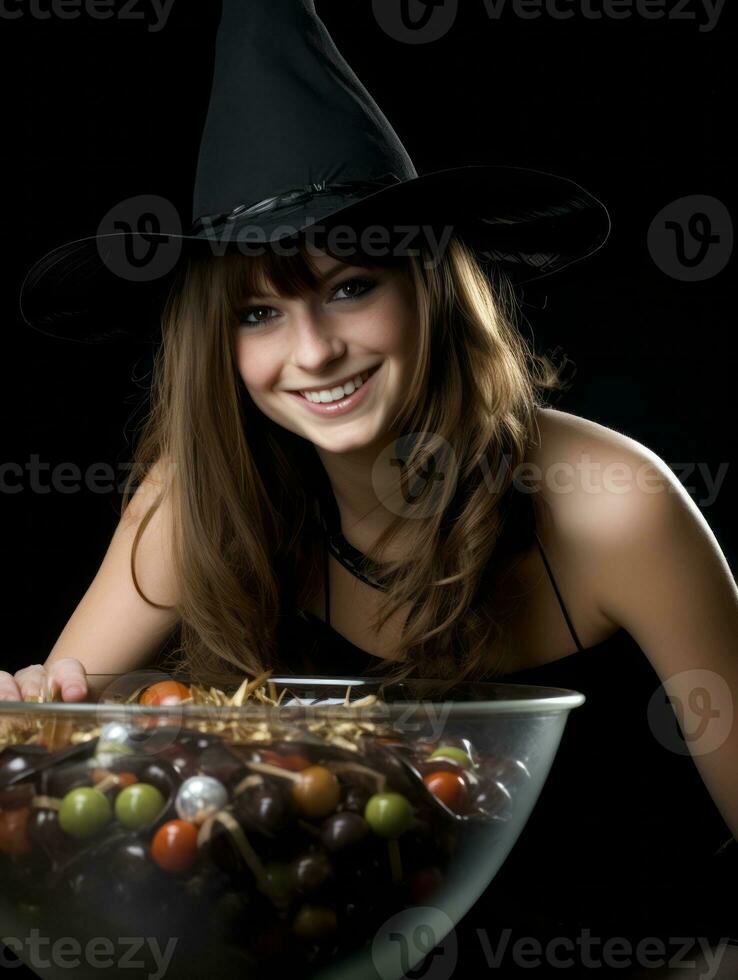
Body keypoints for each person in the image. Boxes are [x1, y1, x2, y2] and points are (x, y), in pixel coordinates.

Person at [6, 0, 736, 973]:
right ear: (214, 347)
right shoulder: (195, 507)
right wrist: (29, 737)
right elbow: (51, 791)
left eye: (352, 285)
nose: (313, 352)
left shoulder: (611, 502)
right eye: (260, 312)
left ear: (428, 284)